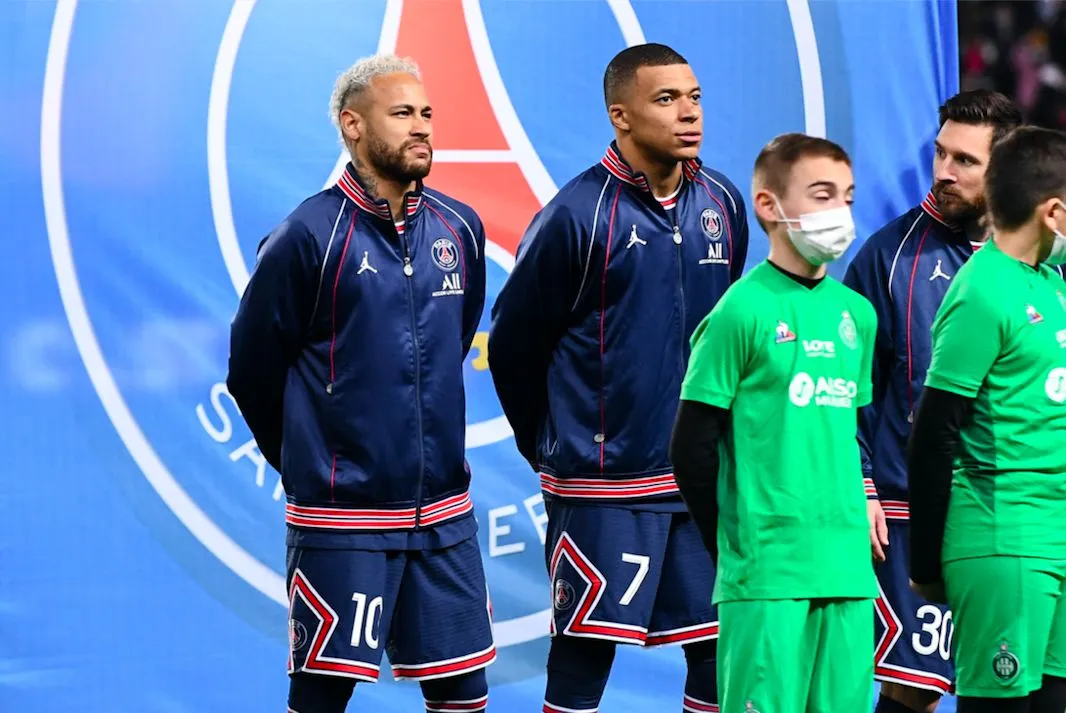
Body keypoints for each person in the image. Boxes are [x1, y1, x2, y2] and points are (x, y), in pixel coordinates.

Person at [226, 55, 493, 713]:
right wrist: (316, 465)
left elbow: (453, 342)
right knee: (323, 694)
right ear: (353, 125)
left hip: (444, 514)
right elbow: (252, 372)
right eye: (401, 113)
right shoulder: (307, 236)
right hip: (341, 520)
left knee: (463, 694)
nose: (421, 126)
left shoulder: (460, 229)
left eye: (426, 113)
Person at [487, 43, 749, 713]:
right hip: (602, 484)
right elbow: (513, 346)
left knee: (720, 649)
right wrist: (554, 444)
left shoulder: (722, 202)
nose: (689, 113)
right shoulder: (576, 215)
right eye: (667, 99)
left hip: (701, 478)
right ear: (621, 116)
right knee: (584, 651)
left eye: (694, 97)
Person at [669, 132, 877, 712]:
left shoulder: (857, 315)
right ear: (769, 205)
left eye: (847, 197)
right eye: (822, 195)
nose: (840, 211)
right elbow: (690, 446)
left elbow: (847, 436)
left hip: (847, 568)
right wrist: (735, 546)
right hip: (767, 573)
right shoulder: (741, 310)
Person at [843, 89, 1030, 713]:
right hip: (913, 509)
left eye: (965, 161)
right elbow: (851, 389)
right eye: (941, 154)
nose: (945, 172)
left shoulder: (1044, 262)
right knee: (914, 688)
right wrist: (862, 487)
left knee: (1016, 681)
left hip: (1018, 512)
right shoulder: (888, 256)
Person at [907, 125, 1066, 713]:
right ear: (1053, 213)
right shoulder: (982, 291)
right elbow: (933, 433)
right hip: (1004, 539)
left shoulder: (1050, 284)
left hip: (1055, 534)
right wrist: (926, 561)